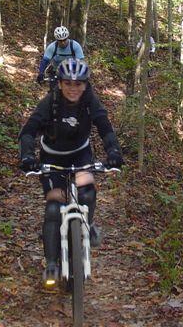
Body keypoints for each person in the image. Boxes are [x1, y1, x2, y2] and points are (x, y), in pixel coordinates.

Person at [19, 58, 124, 287]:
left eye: (78, 84)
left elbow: (104, 125)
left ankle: (88, 224)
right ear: (60, 84)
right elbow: (29, 131)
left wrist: (113, 151)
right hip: (52, 158)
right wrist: (27, 156)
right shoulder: (50, 102)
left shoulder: (89, 101)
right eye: (68, 83)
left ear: (86, 85)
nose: (73, 88)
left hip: (80, 154)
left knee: (87, 193)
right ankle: (52, 264)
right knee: (55, 207)